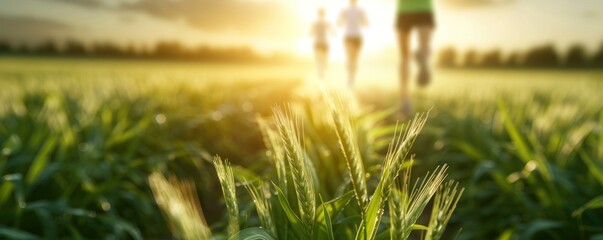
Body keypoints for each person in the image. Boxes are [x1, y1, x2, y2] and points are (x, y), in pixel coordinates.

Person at [396, 0, 435, 115]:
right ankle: (422, 55)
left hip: (405, 8)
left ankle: (406, 102)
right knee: (424, 46)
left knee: (404, 58)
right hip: (424, 7)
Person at [338, 0, 368, 88]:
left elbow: (339, 23)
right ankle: (351, 78)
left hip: (350, 36)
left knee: (350, 58)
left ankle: (350, 78)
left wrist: (345, 21)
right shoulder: (360, 11)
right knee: (354, 59)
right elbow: (365, 23)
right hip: (356, 37)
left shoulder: (345, 11)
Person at [311, 8, 333, 80]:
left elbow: (311, 32)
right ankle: (322, 69)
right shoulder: (326, 22)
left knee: (318, 58)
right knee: (324, 57)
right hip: (323, 42)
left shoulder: (315, 23)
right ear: (324, 14)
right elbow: (332, 30)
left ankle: (320, 71)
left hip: (318, 42)